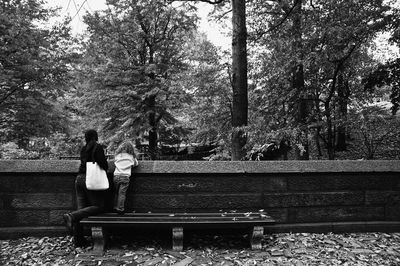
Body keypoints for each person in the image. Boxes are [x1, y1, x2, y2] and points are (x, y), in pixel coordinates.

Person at [63, 129, 109, 247]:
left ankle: (78, 240)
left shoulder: (83, 149)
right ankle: (71, 216)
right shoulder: (97, 147)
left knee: (81, 210)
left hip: (79, 179)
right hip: (90, 179)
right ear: (95, 136)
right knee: (99, 206)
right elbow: (103, 164)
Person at [113, 140, 138, 214]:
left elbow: (115, 162)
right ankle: (120, 209)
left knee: (116, 192)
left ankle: (115, 206)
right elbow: (136, 164)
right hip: (125, 177)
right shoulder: (131, 156)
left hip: (116, 176)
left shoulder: (118, 155)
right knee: (122, 193)